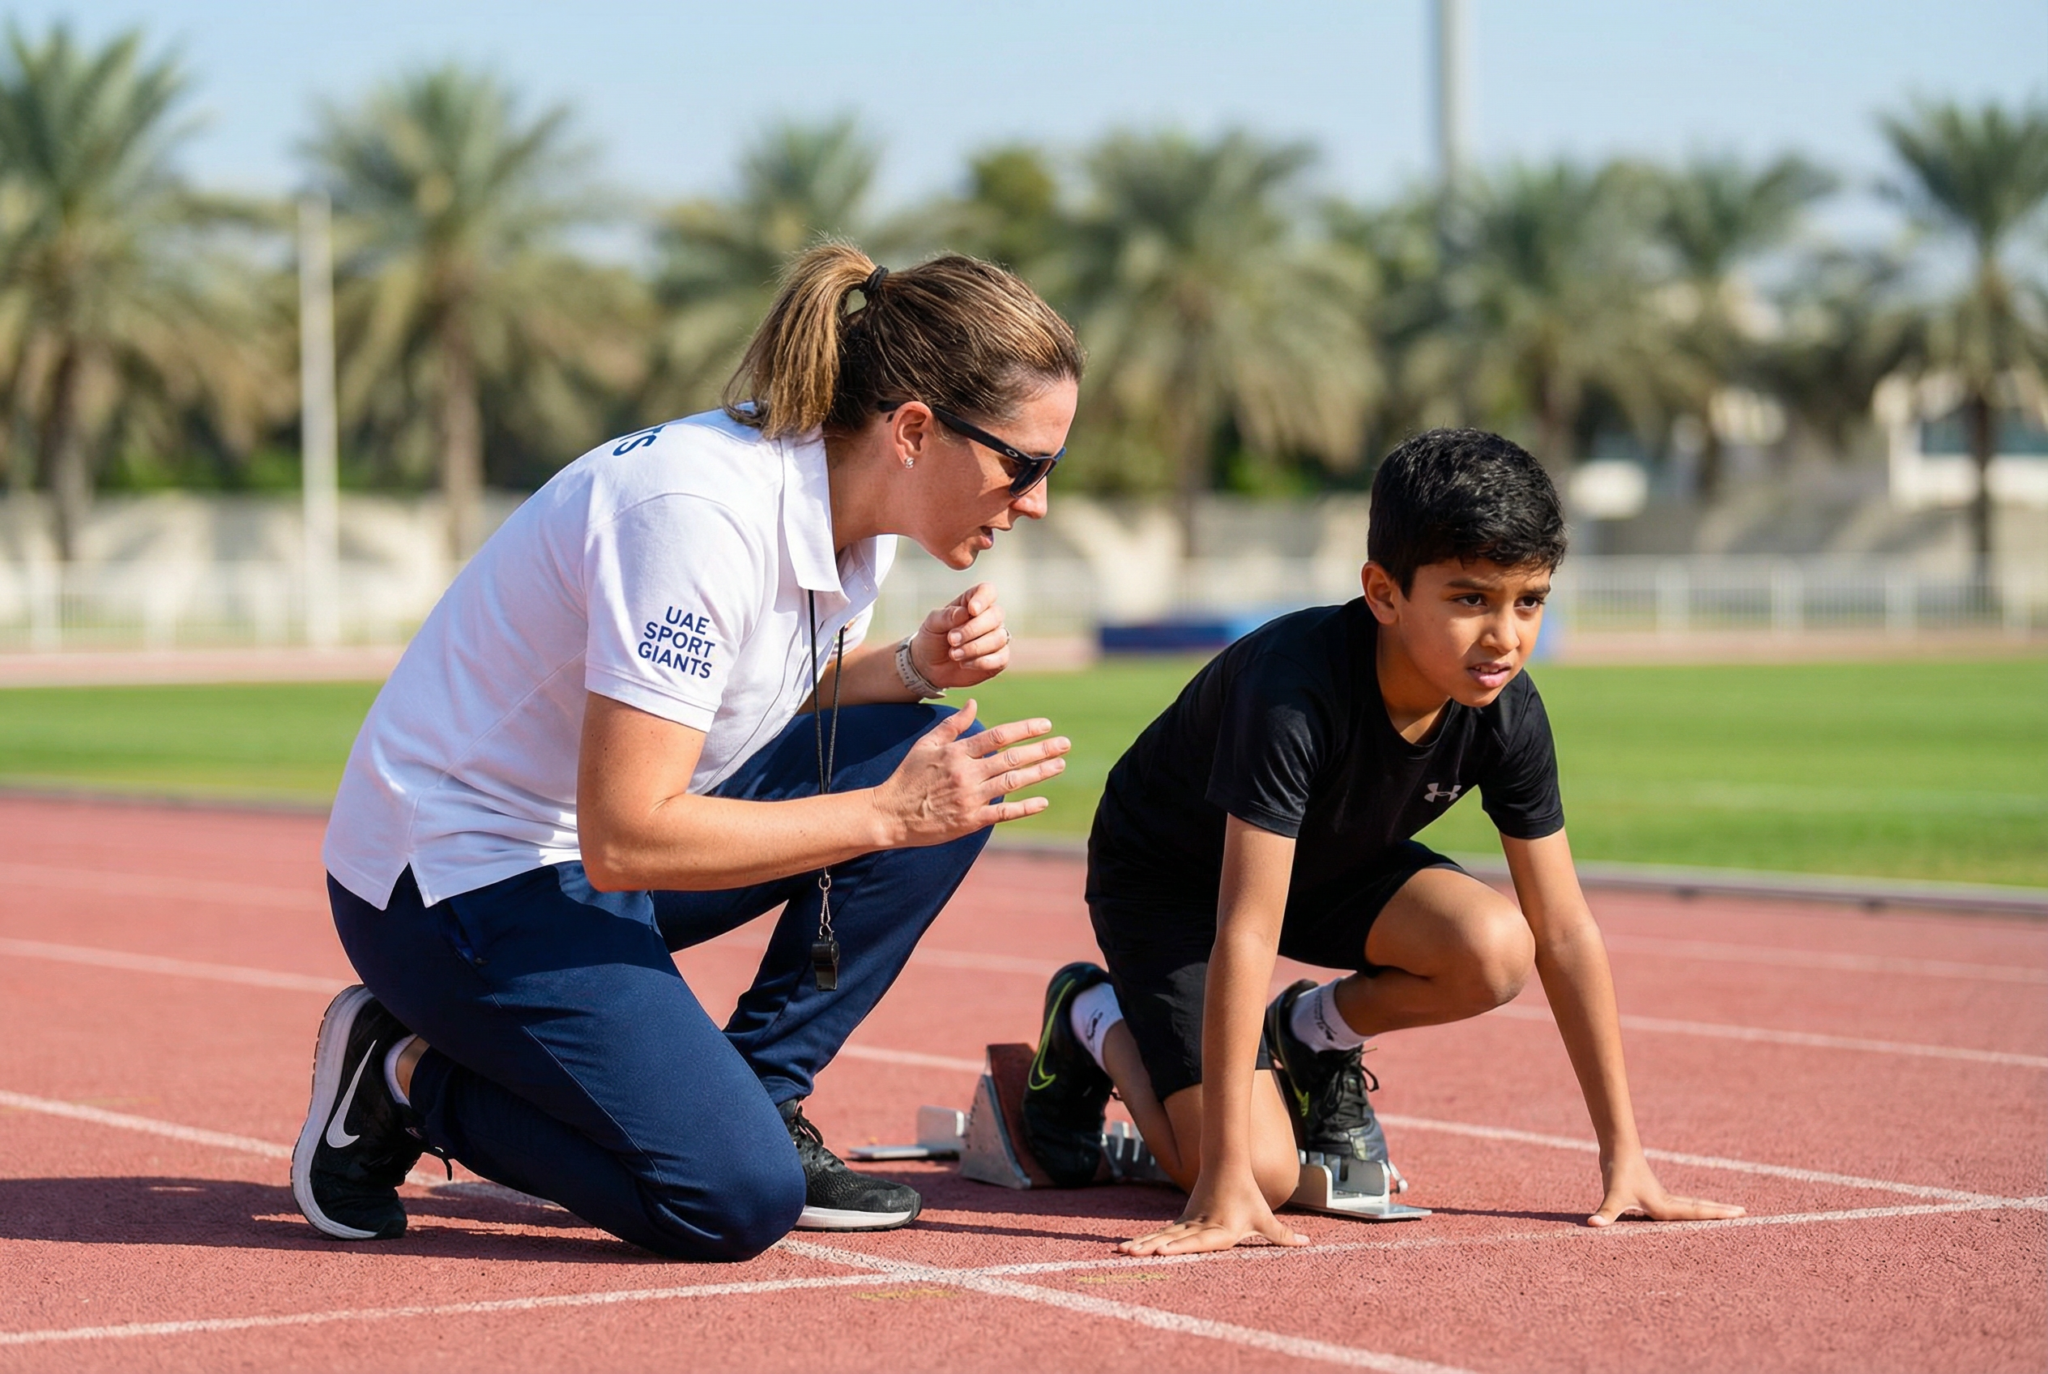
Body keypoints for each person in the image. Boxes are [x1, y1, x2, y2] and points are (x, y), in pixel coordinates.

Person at [292, 244, 1082, 1261]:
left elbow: (742, 687)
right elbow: (627, 836)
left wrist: (907, 664)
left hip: (587, 852)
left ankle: (758, 1096)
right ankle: (401, 1077)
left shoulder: (857, 512)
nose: (1037, 501)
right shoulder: (694, 516)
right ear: (915, 430)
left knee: (942, 749)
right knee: (730, 1204)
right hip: (454, 883)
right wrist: (889, 815)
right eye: (1027, 464)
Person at [1020, 428, 1744, 1254]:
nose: (1505, 636)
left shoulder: (1506, 710)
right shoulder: (1290, 691)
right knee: (1262, 1178)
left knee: (1497, 946)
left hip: (1329, 863)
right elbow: (1245, 927)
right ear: (1384, 592)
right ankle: (1094, 1014)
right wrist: (1220, 1181)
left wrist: (1626, 1157)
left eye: (1530, 600)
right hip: (1173, 880)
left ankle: (1311, 1033)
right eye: (1471, 599)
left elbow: (1566, 931)